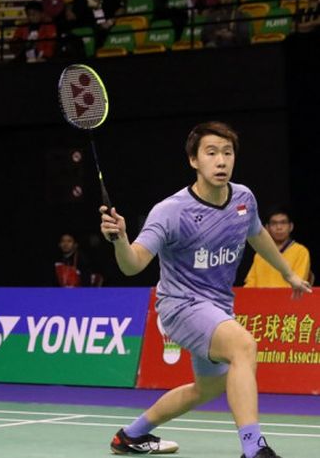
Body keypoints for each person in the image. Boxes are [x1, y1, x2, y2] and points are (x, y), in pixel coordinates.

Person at [99, 121, 311, 458]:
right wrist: (120, 239)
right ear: (193, 160)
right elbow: (133, 264)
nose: (221, 161)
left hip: (217, 306)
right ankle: (254, 449)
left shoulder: (243, 198)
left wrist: (288, 273)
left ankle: (130, 435)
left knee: (208, 388)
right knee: (243, 345)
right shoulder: (171, 212)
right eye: (211, 153)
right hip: (180, 305)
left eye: (227, 153)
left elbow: (257, 235)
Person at [244, 207, 311, 288]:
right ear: (266, 228)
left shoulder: (301, 251)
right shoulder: (260, 254)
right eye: (274, 223)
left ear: (291, 226)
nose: (279, 227)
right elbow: (250, 284)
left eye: (283, 222)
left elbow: (299, 282)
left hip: (288, 298)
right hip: (260, 299)